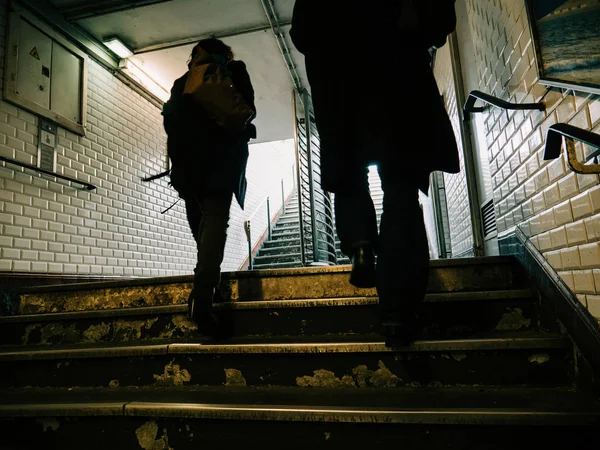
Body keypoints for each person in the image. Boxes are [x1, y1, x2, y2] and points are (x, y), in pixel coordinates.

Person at [290, 0, 460, 346]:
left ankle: (361, 245)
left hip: (339, 86)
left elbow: (301, 31)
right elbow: (439, 21)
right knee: (400, 190)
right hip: (397, 79)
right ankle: (397, 311)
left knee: (350, 176)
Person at [162, 38, 257, 338]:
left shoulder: (182, 82)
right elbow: (247, 109)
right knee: (215, 221)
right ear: (225, 53)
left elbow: (171, 124)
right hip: (220, 161)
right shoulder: (234, 70)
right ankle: (202, 298)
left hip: (189, 166)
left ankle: (208, 288)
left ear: (195, 55)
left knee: (202, 224)